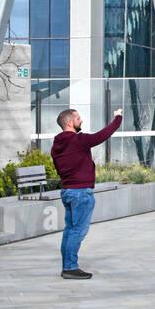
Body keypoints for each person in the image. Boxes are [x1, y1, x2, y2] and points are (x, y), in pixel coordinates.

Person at [51, 108, 122, 279]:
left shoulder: (56, 145)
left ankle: (67, 266)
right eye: (78, 118)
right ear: (69, 123)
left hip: (67, 192)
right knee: (78, 231)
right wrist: (117, 118)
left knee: (70, 230)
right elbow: (102, 135)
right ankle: (70, 267)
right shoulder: (77, 140)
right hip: (80, 193)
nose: (80, 121)